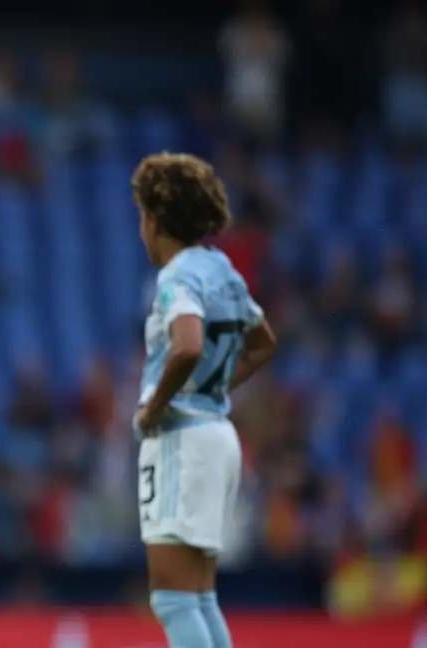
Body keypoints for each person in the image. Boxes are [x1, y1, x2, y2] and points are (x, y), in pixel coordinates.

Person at [130, 153, 276, 648]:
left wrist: (156, 406)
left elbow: (188, 343)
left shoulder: (176, 276)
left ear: (156, 219)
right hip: (217, 434)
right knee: (199, 597)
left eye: (143, 216)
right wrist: (212, 389)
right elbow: (263, 342)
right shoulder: (222, 268)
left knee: (172, 599)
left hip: (180, 439)